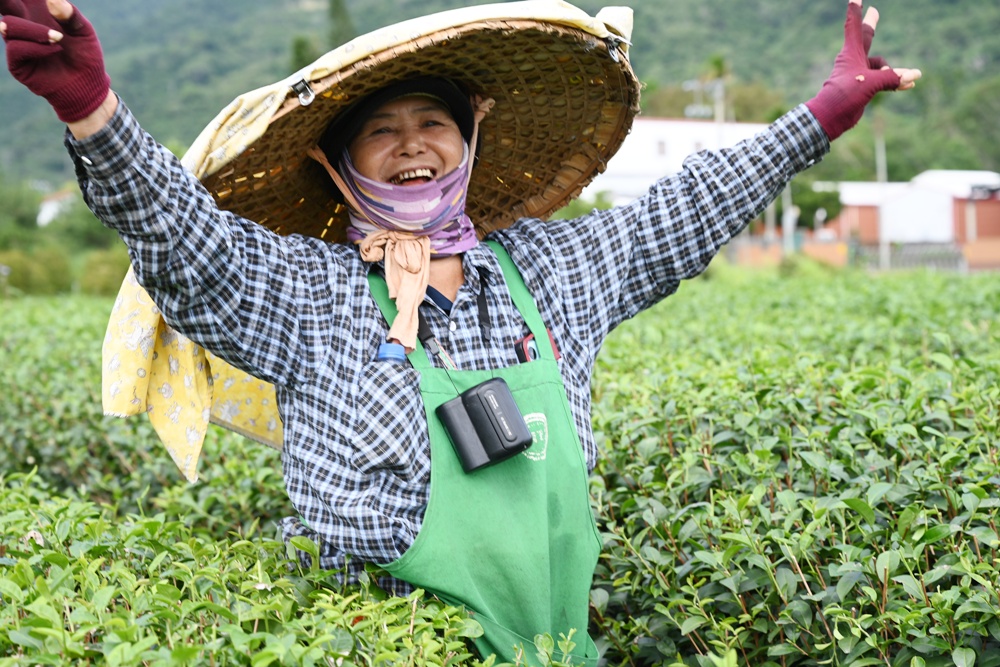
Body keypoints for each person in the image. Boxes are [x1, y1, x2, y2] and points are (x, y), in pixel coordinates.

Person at [1, 0, 920, 663]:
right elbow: (188, 244)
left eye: (433, 122)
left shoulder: (552, 274)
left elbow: (680, 212)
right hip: (380, 647)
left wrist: (820, 118)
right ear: (337, 161)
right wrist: (93, 112)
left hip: (552, 647)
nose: (412, 145)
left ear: (468, 140)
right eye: (382, 131)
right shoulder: (309, 291)